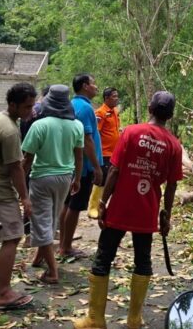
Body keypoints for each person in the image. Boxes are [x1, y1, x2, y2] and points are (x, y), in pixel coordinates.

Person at [74, 91, 183, 329]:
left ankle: (95, 319)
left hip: (120, 209)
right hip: (147, 211)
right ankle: (134, 320)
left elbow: (114, 171)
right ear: (171, 115)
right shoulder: (174, 145)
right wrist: (166, 215)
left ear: (150, 108)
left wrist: (103, 202)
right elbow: (172, 185)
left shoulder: (131, 132)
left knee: (104, 257)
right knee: (142, 260)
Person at [0, 83, 36, 310]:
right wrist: (25, 198)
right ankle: (3, 293)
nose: (30, 111)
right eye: (27, 107)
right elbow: (15, 169)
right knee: (11, 238)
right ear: (13, 104)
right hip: (0, 191)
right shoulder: (10, 131)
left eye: (32, 106)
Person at [21, 84, 84, 284]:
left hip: (41, 178)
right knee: (50, 220)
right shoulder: (77, 126)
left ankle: (53, 272)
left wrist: (19, 185)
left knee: (41, 223)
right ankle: (39, 259)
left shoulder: (39, 125)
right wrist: (78, 178)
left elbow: (27, 159)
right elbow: (79, 156)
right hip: (65, 178)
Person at [59, 74, 103, 258]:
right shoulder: (85, 108)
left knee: (68, 204)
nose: (96, 87)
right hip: (82, 167)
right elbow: (86, 139)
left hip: (70, 163)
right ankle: (66, 247)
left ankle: (63, 242)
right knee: (75, 206)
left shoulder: (72, 105)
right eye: (93, 83)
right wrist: (96, 167)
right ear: (85, 86)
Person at [20, 85, 50, 241]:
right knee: (33, 198)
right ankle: (31, 232)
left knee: (28, 194)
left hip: (24, 153)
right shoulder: (41, 112)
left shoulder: (31, 110)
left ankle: (27, 229)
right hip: (33, 157)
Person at [90, 87, 121, 218]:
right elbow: (95, 133)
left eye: (117, 96)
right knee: (101, 179)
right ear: (106, 98)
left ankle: (107, 205)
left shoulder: (114, 111)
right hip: (104, 153)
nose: (116, 98)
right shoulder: (100, 113)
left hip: (114, 152)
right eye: (114, 96)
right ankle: (93, 207)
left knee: (113, 180)